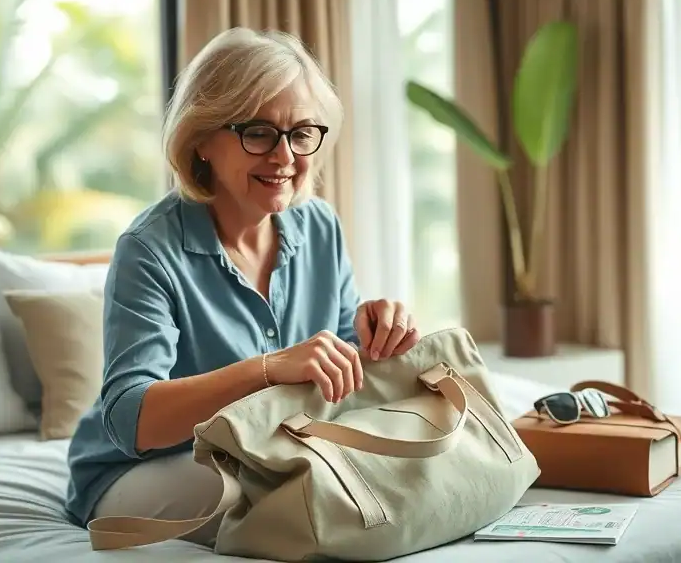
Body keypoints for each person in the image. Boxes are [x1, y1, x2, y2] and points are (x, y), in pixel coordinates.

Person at [63, 27, 422, 545]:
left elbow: (342, 362)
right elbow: (130, 418)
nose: (284, 157)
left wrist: (377, 333)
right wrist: (270, 370)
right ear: (202, 139)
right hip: (144, 467)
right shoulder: (148, 248)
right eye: (258, 132)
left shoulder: (320, 226)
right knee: (286, 500)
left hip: (272, 450)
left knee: (377, 478)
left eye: (301, 133)